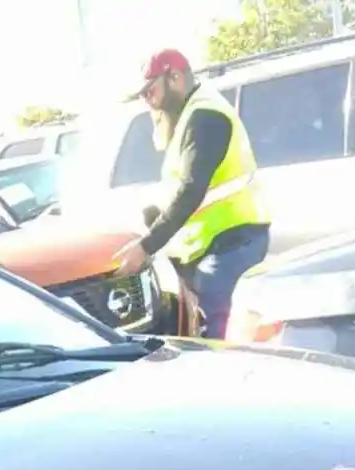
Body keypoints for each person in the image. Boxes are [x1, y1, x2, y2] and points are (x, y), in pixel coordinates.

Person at [110, 48, 272, 341]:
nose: (148, 100)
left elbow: (191, 190)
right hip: (214, 244)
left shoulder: (205, 117)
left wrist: (147, 245)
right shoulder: (188, 115)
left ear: (175, 78)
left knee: (215, 337)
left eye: (151, 90)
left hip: (230, 243)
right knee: (205, 330)